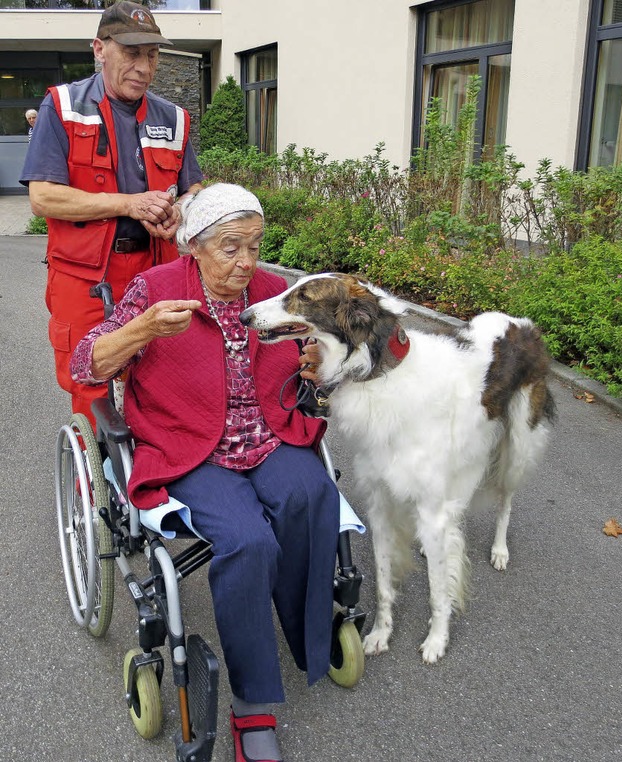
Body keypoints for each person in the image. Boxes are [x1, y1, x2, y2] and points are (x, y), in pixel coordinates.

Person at [70, 183, 339, 762]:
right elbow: (85, 361)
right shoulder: (156, 290)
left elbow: (316, 352)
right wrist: (142, 331)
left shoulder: (274, 292)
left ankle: (305, 637)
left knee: (313, 495)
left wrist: (318, 365)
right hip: (189, 446)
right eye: (231, 247)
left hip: (269, 433)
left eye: (256, 245)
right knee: (247, 540)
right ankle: (252, 702)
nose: (247, 262)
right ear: (193, 245)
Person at [20, 1, 203, 424]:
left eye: (152, 55)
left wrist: (181, 210)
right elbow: (44, 197)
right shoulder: (62, 107)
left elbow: (193, 189)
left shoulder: (174, 118)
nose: (143, 65)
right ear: (100, 49)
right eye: (131, 52)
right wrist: (128, 203)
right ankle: (102, 470)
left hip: (157, 269)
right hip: (86, 276)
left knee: (163, 371)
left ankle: (155, 466)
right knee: (90, 379)